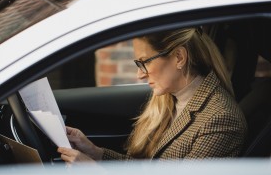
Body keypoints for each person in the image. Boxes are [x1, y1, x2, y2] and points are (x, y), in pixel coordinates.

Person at [58, 27, 247, 163]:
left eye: (144, 62)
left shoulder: (220, 118)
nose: (139, 74)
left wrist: (95, 174)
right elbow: (149, 173)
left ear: (179, 57)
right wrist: (95, 153)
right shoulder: (172, 101)